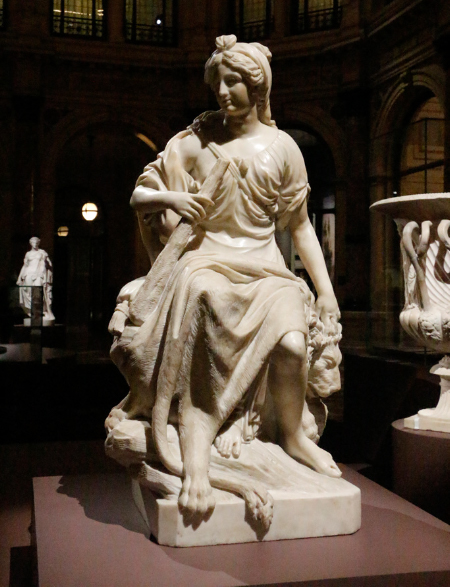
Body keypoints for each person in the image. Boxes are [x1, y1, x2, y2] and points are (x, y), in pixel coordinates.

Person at [107, 34, 341, 518]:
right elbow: (140, 196)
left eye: (233, 81)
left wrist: (326, 292)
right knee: (200, 297)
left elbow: (300, 227)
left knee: (293, 345)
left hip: (266, 267)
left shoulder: (282, 147)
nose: (223, 91)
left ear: (258, 87)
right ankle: (196, 450)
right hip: (207, 259)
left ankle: (293, 435)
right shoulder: (196, 141)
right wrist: (174, 198)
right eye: (218, 82)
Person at [17, 237, 55, 322]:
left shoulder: (42, 252)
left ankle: (42, 311)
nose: (35, 244)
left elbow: (50, 264)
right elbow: (25, 266)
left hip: (38, 275)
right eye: (33, 242)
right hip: (28, 274)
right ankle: (32, 312)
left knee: (38, 292)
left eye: (36, 242)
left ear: (38, 243)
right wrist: (20, 277)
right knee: (28, 292)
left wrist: (45, 261)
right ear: (31, 243)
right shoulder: (28, 254)